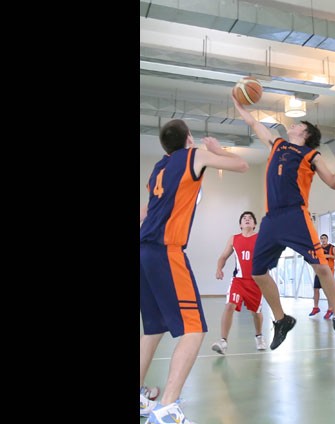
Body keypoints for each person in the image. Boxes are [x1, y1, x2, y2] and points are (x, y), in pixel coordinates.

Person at [140, 118, 249, 423]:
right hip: (166, 251)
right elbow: (242, 165)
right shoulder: (194, 155)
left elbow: (146, 211)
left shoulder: (158, 168)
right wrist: (217, 149)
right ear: (189, 138)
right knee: (194, 328)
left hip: (144, 250)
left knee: (153, 328)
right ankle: (166, 408)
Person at [232, 92, 335, 351]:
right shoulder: (277, 144)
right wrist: (239, 104)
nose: (293, 124)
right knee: (257, 272)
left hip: (295, 215)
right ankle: (282, 320)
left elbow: (333, 183)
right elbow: (254, 123)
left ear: (305, 133)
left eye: (299, 124)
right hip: (271, 218)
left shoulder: (311, 155)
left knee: (321, 266)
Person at [211, 210, 267, 355]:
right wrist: (219, 269)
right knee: (229, 305)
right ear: (240, 225)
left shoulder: (260, 238)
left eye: (250, 218)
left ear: (254, 224)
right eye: (244, 218)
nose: (247, 219)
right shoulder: (234, 239)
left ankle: (259, 336)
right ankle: (223, 341)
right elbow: (223, 257)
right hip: (238, 281)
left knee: (256, 312)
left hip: (255, 281)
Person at [309, 234, 335, 319]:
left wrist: (329, 256)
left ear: (327, 239)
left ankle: (330, 309)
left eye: (324, 238)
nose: (323, 240)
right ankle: (316, 307)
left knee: (328, 291)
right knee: (316, 289)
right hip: (319, 271)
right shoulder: (318, 248)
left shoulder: (331, 247)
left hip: (328, 272)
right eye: (322, 238)